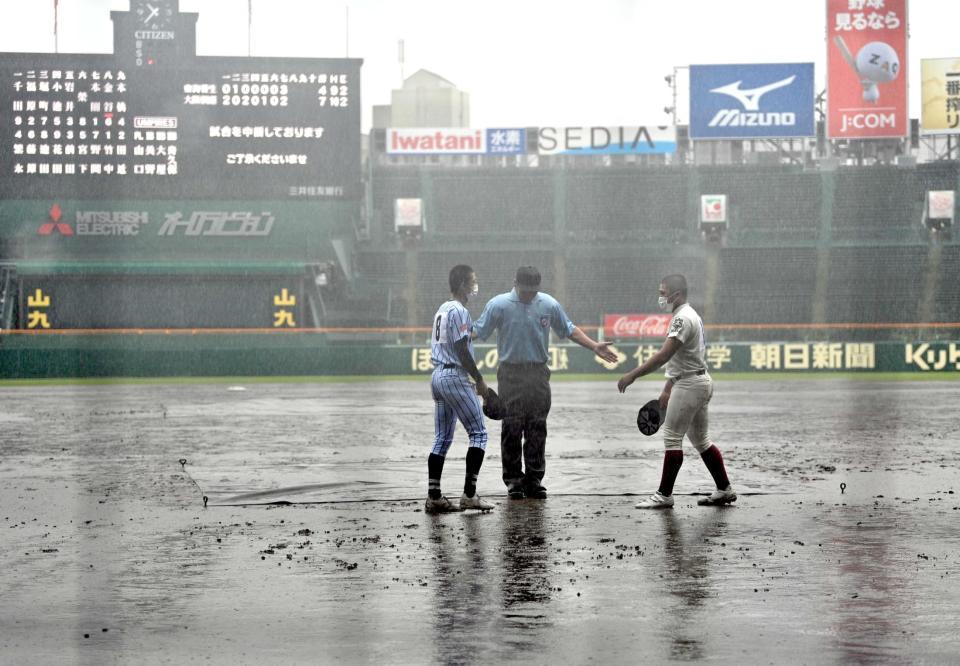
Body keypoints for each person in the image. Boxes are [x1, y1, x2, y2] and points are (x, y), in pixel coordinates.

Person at [473, 266, 618, 499]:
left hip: (538, 374)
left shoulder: (548, 304)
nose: (529, 295)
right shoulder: (498, 305)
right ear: (515, 283)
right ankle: (513, 480)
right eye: (525, 291)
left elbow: (568, 329)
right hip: (511, 374)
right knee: (511, 427)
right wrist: (453, 342)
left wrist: (594, 346)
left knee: (537, 428)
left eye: (533, 291)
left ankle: (534, 479)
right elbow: (478, 330)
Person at [617, 274, 736, 509]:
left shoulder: (682, 319)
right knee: (701, 440)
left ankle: (664, 495)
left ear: (676, 294)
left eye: (663, 293)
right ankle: (724, 489)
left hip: (689, 385)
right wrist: (667, 388)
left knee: (672, 437)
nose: (661, 298)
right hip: (698, 381)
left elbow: (664, 356)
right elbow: (683, 360)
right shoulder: (690, 315)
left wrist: (632, 375)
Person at [424, 264, 495, 514]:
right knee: (479, 434)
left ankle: (434, 496)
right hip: (454, 374)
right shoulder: (460, 311)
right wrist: (479, 379)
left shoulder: (443, 308)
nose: (475, 285)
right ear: (463, 285)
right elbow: (462, 349)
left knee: (442, 438)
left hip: (438, 377)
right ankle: (469, 494)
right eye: (472, 281)